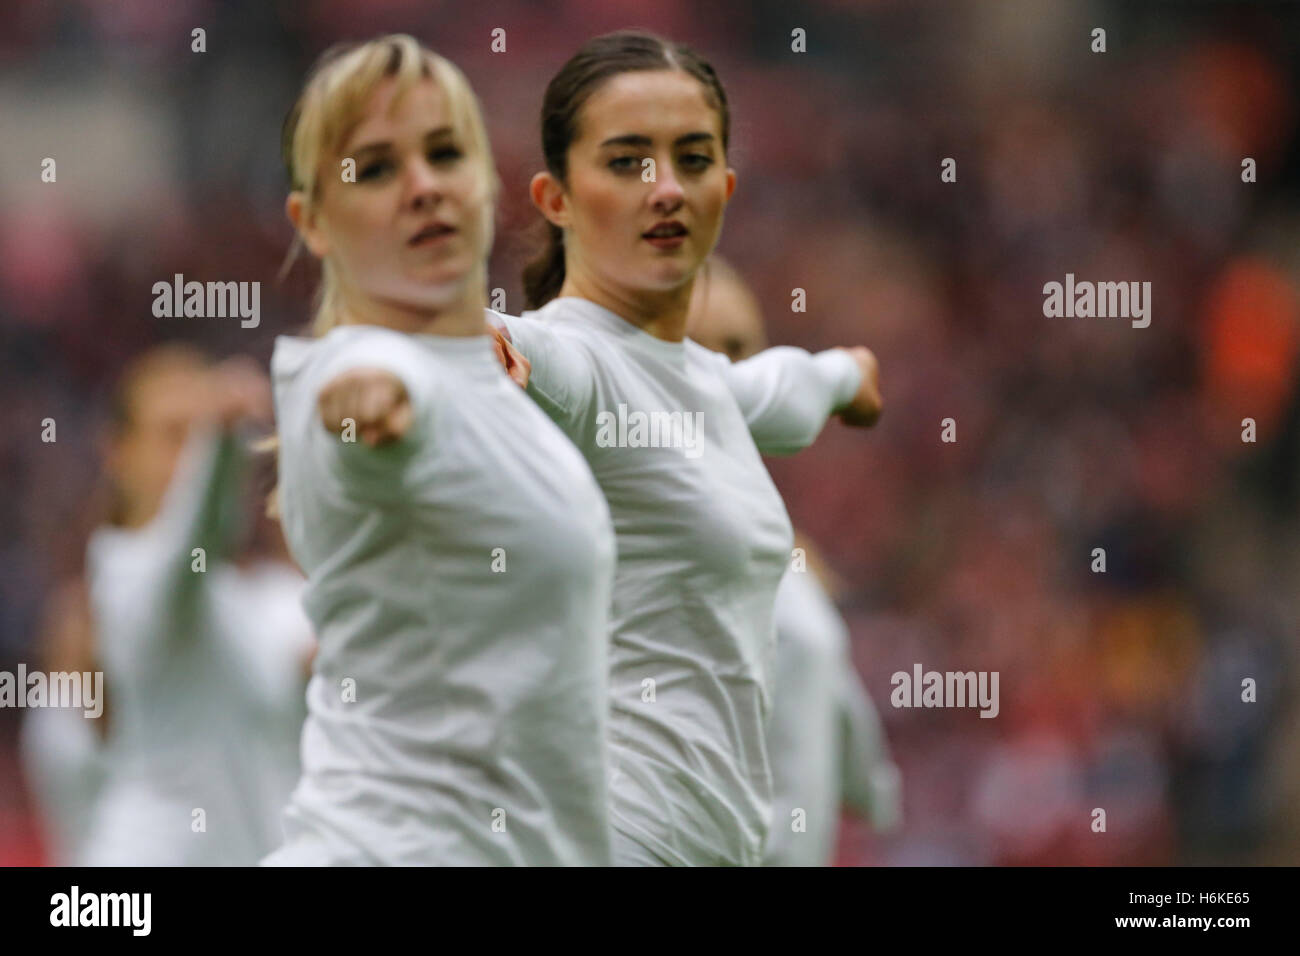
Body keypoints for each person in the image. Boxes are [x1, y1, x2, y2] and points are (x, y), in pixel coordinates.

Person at [496, 30, 883, 866]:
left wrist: (851, 376)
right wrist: (392, 368)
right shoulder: (573, 362)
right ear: (555, 197)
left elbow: (784, 386)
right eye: (628, 161)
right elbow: (475, 350)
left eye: (692, 159)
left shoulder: (706, 382)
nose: (666, 188)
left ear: (726, 187)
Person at [262, 34, 615, 866]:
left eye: (445, 153)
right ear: (312, 221)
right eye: (376, 170)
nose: (423, 186)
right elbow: (370, 402)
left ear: (487, 181)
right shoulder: (358, 374)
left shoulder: (505, 386)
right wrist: (371, 405)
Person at [686, 257, 902, 867]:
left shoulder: (784, 567)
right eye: (697, 349)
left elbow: (853, 763)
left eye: (739, 350)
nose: (724, 374)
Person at [69, 344, 314, 867]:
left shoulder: (250, 601)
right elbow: (192, 539)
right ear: (118, 452)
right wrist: (221, 440)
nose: (187, 457)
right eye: (172, 435)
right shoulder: (121, 571)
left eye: (195, 436)